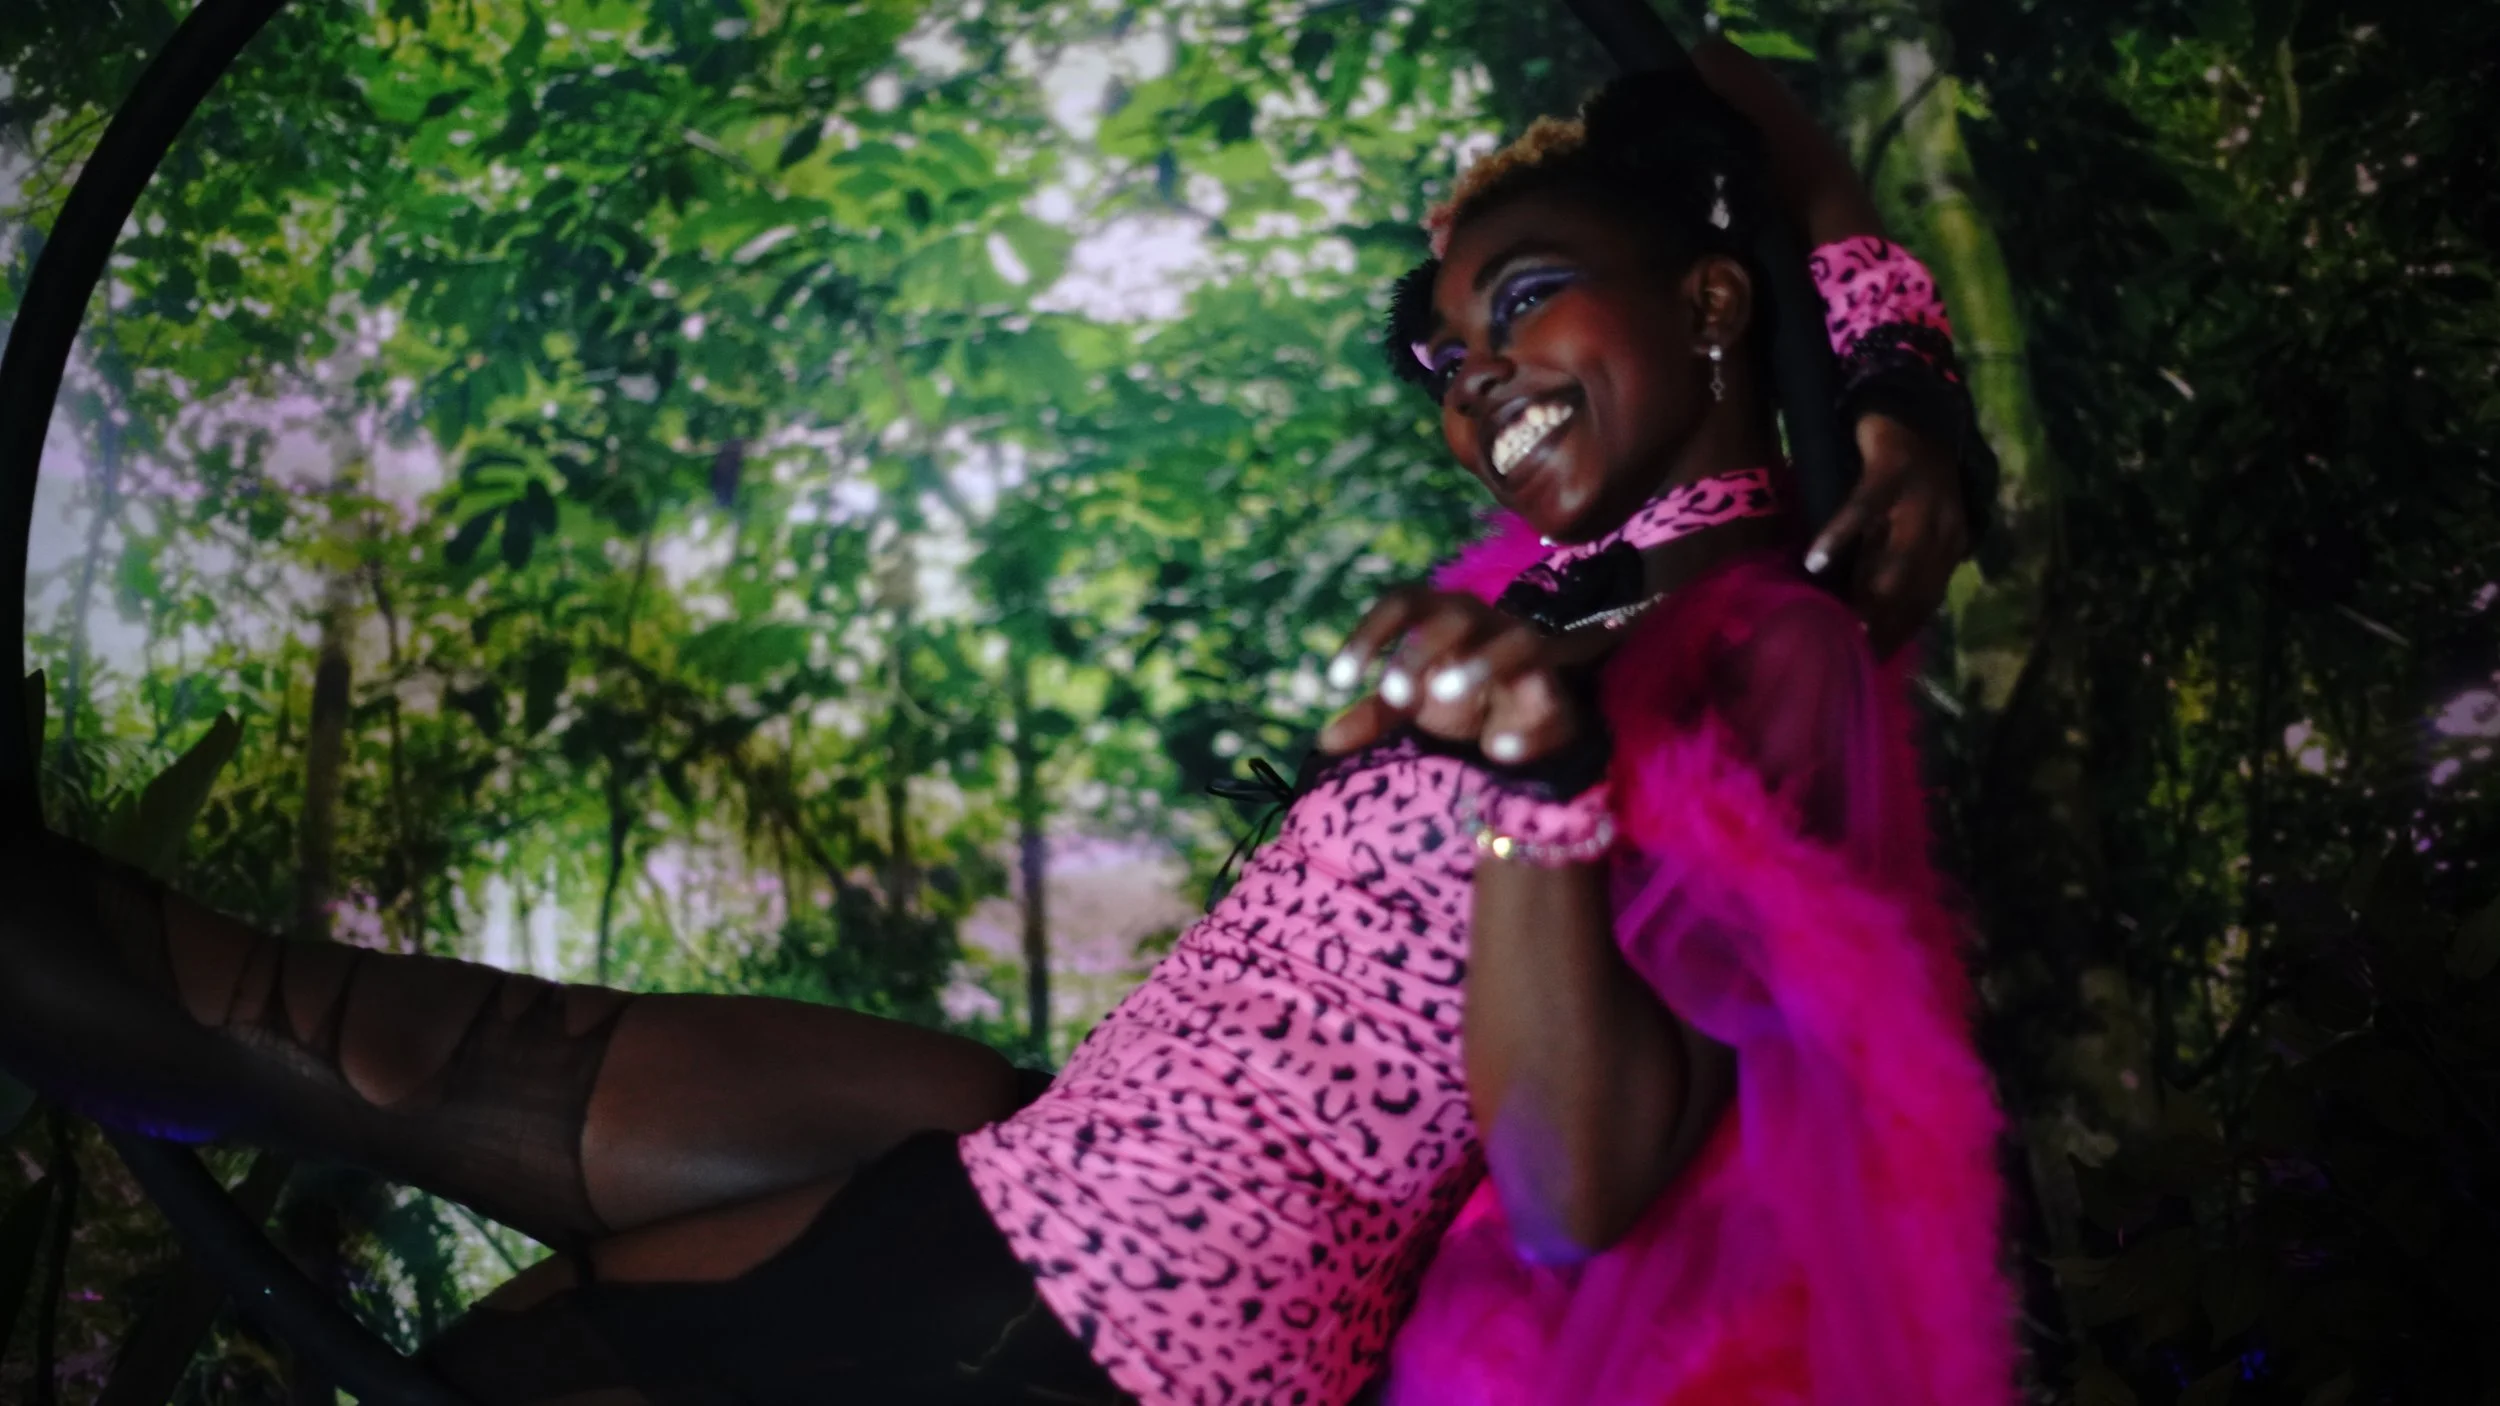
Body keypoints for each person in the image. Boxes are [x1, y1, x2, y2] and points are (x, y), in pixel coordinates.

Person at [0, 40, 2006, 1406]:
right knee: (335, 1032)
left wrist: (1543, 796)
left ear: (1718, 310)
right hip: (1040, 1153)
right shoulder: (1555, 592)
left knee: (406, 1222)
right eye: (1449, 353)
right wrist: (1899, 367)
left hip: (1131, 1303)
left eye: (1528, 304)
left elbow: (1582, 1180)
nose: (1476, 388)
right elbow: (1735, 114)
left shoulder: (1774, 640)